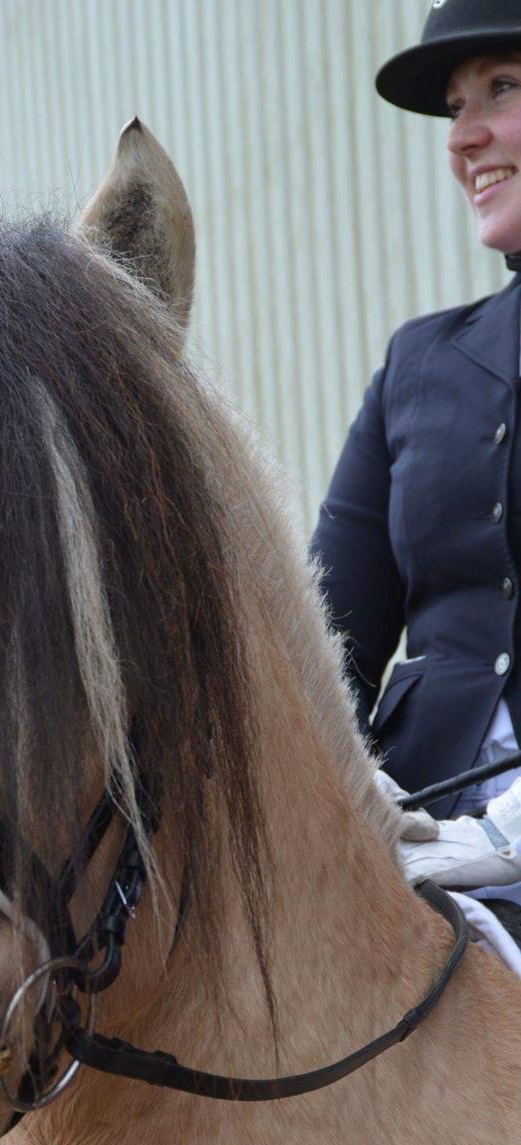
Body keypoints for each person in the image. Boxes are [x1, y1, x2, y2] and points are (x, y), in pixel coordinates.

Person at [313, 0, 521, 958]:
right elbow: (326, 639)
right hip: (416, 836)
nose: (464, 136)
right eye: (453, 108)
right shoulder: (416, 365)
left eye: (502, 90)